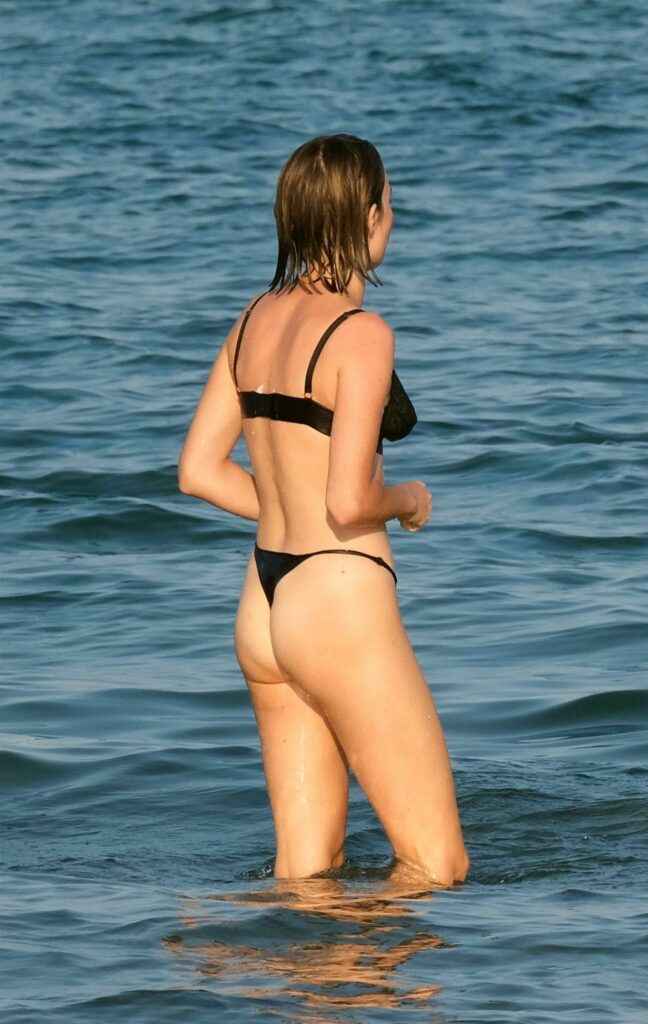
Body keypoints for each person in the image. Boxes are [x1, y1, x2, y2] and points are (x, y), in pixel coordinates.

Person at [178, 133, 470, 886]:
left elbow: (198, 472)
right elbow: (348, 501)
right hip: (337, 599)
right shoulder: (361, 335)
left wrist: (290, 509)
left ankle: (292, 964)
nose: (393, 219)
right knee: (436, 865)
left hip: (264, 602)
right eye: (389, 205)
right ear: (367, 217)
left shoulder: (253, 318)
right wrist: (406, 501)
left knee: (306, 872)